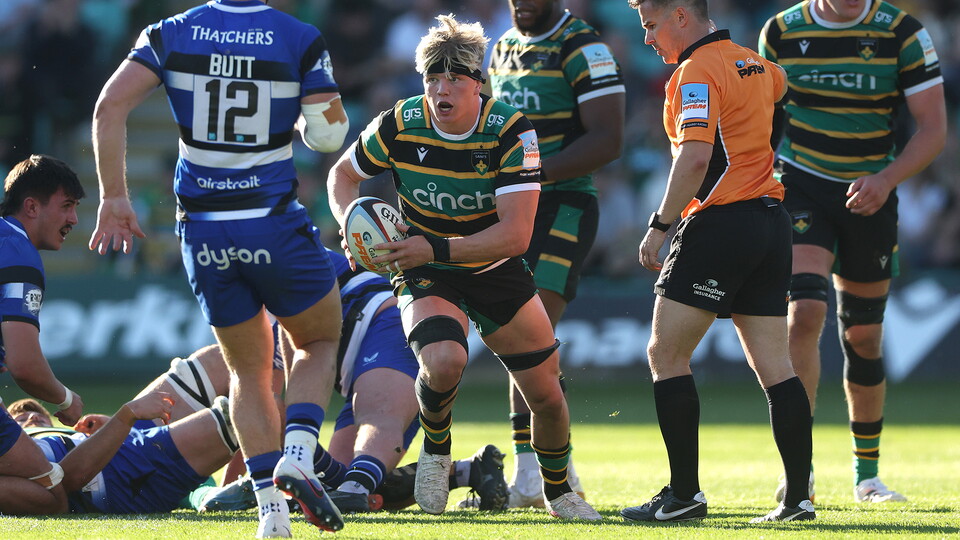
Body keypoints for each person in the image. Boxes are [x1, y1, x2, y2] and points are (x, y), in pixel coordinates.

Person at [87, 1, 350, 536]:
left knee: (248, 373)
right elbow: (327, 137)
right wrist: (301, 117)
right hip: (272, 220)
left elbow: (109, 106)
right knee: (317, 340)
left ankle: (271, 514)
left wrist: (114, 196)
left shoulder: (169, 32)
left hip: (203, 228)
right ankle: (299, 456)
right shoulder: (298, 37)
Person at [327, 14, 600, 521]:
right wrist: (349, 223)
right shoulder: (399, 123)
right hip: (424, 268)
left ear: (478, 83)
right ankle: (436, 450)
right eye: (432, 77)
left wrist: (433, 248)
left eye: (454, 78)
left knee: (546, 394)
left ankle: (560, 491)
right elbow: (341, 175)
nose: (441, 89)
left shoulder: (512, 131)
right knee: (444, 360)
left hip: (492, 265)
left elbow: (516, 236)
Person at [619, 0, 815, 524]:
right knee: (776, 367)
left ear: (681, 16)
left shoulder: (695, 72)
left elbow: (696, 156)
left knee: (665, 355)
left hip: (721, 224)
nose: (648, 38)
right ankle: (798, 500)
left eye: (651, 25)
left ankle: (684, 494)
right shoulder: (756, 63)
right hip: (771, 221)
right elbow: (782, 99)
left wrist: (659, 226)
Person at [758, 0, 946, 505]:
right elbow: (760, 119)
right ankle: (799, 470)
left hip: (873, 188)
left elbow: (933, 127)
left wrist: (886, 179)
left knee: (863, 335)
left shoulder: (903, 33)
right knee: (804, 313)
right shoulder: (780, 32)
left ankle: (867, 476)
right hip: (799, 183)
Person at [154, 248, 509, 514]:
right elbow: (261, 411)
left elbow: (264, 405)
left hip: (381, 321)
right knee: (337, 483)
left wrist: (248, 479)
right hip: (353, 359)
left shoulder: (276, 262)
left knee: (371, 436)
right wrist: (246, 479)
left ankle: (371, 483)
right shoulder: (261, 268)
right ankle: (467, 472)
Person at [487, 0, 626, 508]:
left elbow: (608, 139)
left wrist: (531, 175)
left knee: (533, 329)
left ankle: (545, 470)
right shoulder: (503, 47)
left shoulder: (583, 47)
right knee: (516, 331)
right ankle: (530, 472)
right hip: (511, 207)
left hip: (565, 204)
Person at [7, 392, 243, 515]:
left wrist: (110, 425)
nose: (32, 416)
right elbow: (61, 484)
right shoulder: (16, 447)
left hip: (115, 451)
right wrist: (124, 416)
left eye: (39, 415)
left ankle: (216, 493)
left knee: (217, 358)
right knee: (242, 411)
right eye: (21, 418)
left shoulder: (68, 435)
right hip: (107, 476)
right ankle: (208, 495)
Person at [2, 155, 85, 427]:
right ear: (32, 207)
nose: (73, 219)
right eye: (66, 206)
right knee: (55, 460)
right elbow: (24, 365)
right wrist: (67, 400)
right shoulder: (18, 253)